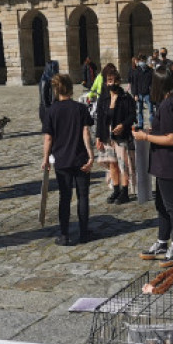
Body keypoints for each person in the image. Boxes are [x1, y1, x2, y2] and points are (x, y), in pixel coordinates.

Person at [134, 68, 173, 262]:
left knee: (172, 206)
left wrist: (145, 136)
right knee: (161, 204)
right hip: (164, 163)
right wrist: (154, 129)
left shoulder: (168, 105)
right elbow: (168, 130)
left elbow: (172, 138)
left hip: (169, 162)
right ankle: (162, 241)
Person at [42, 74, 94, 246]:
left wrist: (45, 159)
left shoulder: (52, 111)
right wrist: (91, 155)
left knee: (65, 198)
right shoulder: (80, 108)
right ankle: (84, 232)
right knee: (83, 196)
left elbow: (48, 138)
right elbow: (86, 132)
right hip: (80, 158)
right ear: (70, 88)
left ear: (56, 90)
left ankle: (64, 234)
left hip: (62, 160)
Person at [95, 64, 136, 205]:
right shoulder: (104, 98)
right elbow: (100, 118)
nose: (110, 83)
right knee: (112, 164)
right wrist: (98, 137)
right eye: (108, 81)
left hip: (121, 137)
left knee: (123, 164)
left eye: (112, 80)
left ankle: (125, 191)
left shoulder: (125, 97)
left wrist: (123, 125)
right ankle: (116, 189)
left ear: (117, 81)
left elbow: (132, 115)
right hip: (108, 137)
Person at [132, 54, 153, 127]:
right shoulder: (137, 71)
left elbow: (152, 82)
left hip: (148, 93)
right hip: (139, 93)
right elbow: (135, 83)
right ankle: (140, 124)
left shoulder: (150, 70)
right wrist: (135, 94)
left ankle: (152, 124)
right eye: (140, 60)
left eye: (143, 60)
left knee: (151, 110)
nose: (141, 62)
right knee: (140, 111)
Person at [38, 59, 59, 125]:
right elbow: (44, 97)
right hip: (47, 108)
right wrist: (49, 110)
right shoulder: (45, 80)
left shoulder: (52, 79)